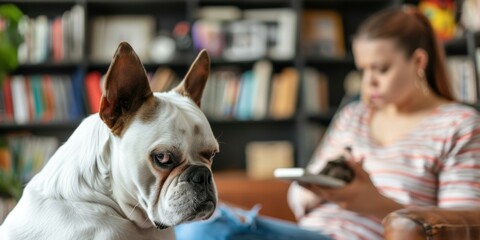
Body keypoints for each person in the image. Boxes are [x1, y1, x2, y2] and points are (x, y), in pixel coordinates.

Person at [175, 5, 480, 240]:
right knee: (195, 222)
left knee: (208, 230)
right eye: (363, 70)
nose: (368, 82)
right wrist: (318, 186)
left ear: (418, 63)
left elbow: (456, 227)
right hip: (312, 231)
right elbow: (297, 199)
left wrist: (373, 202)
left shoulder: (459, 125)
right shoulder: (355, 115)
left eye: (381, 69)